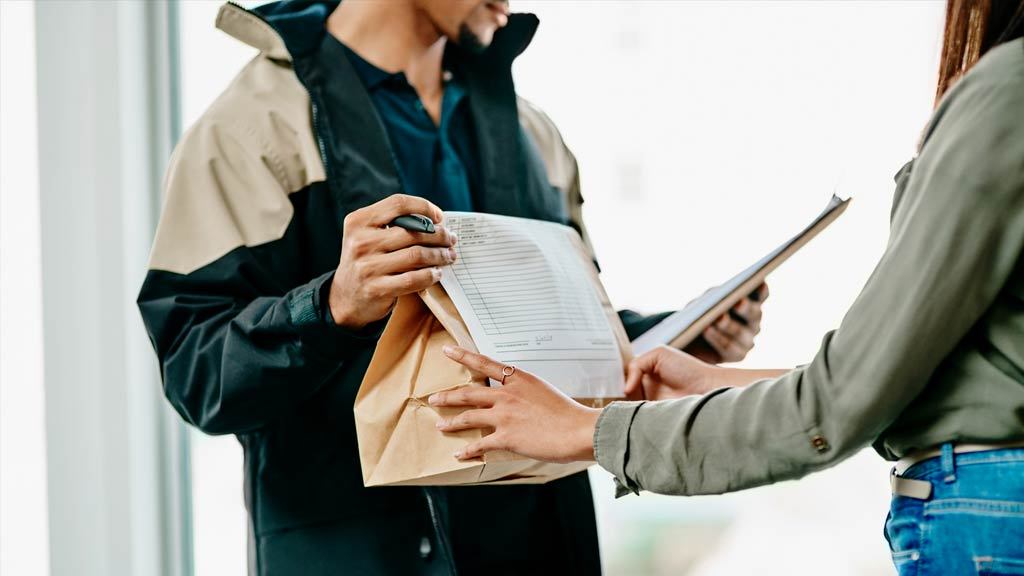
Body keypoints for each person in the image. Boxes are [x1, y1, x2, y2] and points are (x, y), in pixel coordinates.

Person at [137, 1, 766, 573]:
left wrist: (681, 337)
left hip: (543, 546)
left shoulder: (532, 134)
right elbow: (198, 373)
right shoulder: (251, 132)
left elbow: (563, 337)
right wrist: (332, 307)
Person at [429, 2, 1024, 574]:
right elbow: (930, 381)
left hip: (987, 518)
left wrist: (586, 430)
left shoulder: (1005, 92)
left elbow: (842, 403)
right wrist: (718, 384)